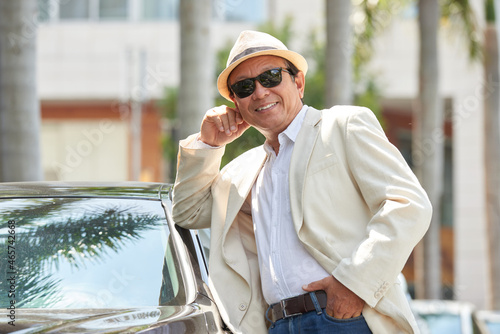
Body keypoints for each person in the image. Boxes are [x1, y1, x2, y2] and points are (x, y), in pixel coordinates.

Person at [172, 30, 432, 334]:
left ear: (298, 82)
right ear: (236, 103)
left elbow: (408, 204)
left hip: (345, 317)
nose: (259, 92)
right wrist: (209, 144)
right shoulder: (243, 171)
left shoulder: (342, 127)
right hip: (276, 324)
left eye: (270, 77)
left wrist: (354, 283)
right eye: (244, 87)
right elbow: (187, 212)